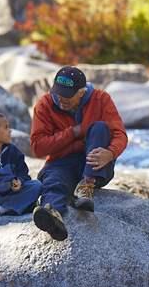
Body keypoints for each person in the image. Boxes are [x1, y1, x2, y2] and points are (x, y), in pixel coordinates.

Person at [30, 66, 128, 241]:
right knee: (54, 181)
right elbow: (38, 147)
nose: (61, 99)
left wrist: (110, 153)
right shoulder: (44, 104)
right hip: (62, 162)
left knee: (100, 128)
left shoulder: (101, 99)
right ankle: (52, 215)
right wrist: (72, 132)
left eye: (67, 95)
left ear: (81, 92)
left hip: (95, 163)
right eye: (58, 93)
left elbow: (119, 133)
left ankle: (86, 186)